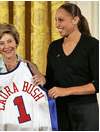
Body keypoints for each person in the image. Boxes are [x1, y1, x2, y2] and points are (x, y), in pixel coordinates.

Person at [0, 23, 47, 130]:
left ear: (16, 42)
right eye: (1, 43)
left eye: (10, 41)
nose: (6, 46)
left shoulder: (30, 67)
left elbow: (38, 100)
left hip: (24, 126)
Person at [45, 3, 99, 131]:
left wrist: (66, 91)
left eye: (61, 20)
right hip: (60, 111)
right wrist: (35, 72)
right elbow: (51, 82)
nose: (56, 24)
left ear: (75, 20)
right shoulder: (54, 47)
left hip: (86, 112)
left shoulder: (92, 45)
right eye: (56, 20)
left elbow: (98, 84)